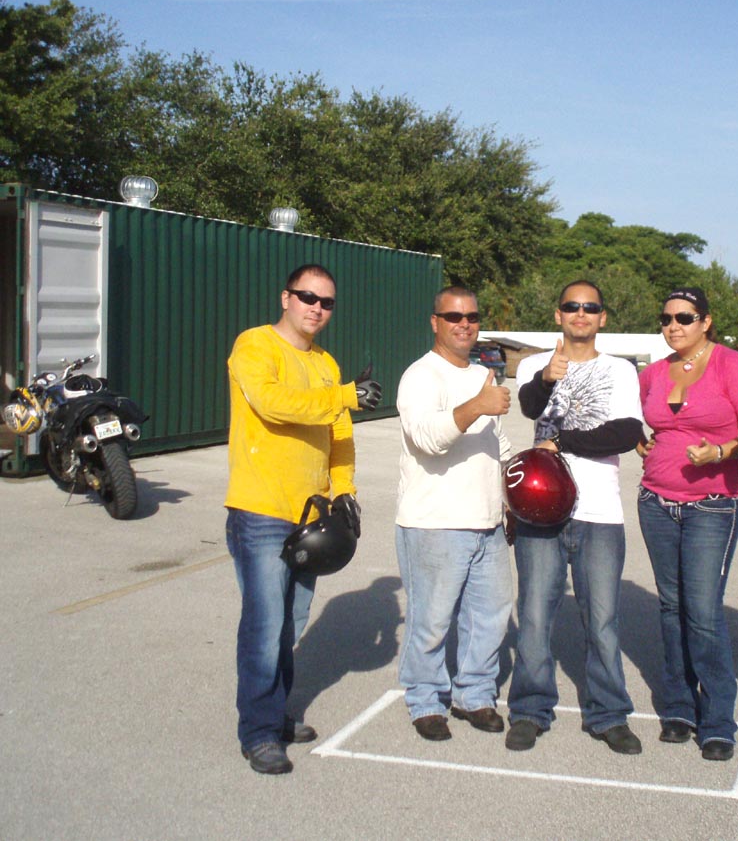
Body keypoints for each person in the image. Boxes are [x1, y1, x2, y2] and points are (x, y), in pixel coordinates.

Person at [225, 263, 382, 775]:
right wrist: (344, 396)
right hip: (261, 509)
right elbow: (272, 405)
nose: (316, 308)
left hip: (311, 515)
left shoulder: (326, 363)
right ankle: (259, 732)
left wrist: (345, 490)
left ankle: (274, 713)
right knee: (265, 623)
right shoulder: (255, 345)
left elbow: (340, 434)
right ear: (285, 297)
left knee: (290, 621)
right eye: (307, 297)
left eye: (326, 302)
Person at [506, 281, 644, 755]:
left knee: (602, 619)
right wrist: (548, 378)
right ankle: (529, 709)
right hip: (541, 509)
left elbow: (625, 433)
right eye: (571, 306)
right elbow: (528, 407)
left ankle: (609, 714)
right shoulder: (534, 365)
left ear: (602, 317)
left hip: (599, 512)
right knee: (534, 615)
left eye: (590, 307)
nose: (580, 313)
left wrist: (563, 442)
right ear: (558, 314)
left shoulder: (621, 370)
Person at [636, 287, 738, 761]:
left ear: (706, 321)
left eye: (685, 318)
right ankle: (678, 707)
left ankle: (717, 721)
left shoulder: (732, 365)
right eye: (667, 318)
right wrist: (641, 443)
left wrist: (724, 450)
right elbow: (640, 423)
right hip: (655, 502)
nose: (674, 326)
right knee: (671, 608)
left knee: (704, 612)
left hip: (712, 505)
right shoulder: (653, 373)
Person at [394, 285, 514, 742]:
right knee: (432, 620)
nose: (464, 324)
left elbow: (497, 444)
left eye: (472, 317)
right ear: (435, 322)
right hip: (435, 523)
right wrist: (477, 406)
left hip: (487, 522)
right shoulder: (421, 375)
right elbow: (427, 438)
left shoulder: (483, 374)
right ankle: (425, 700)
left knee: (490, 616)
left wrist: (511, 495)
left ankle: (474, 695)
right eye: (453, 317)